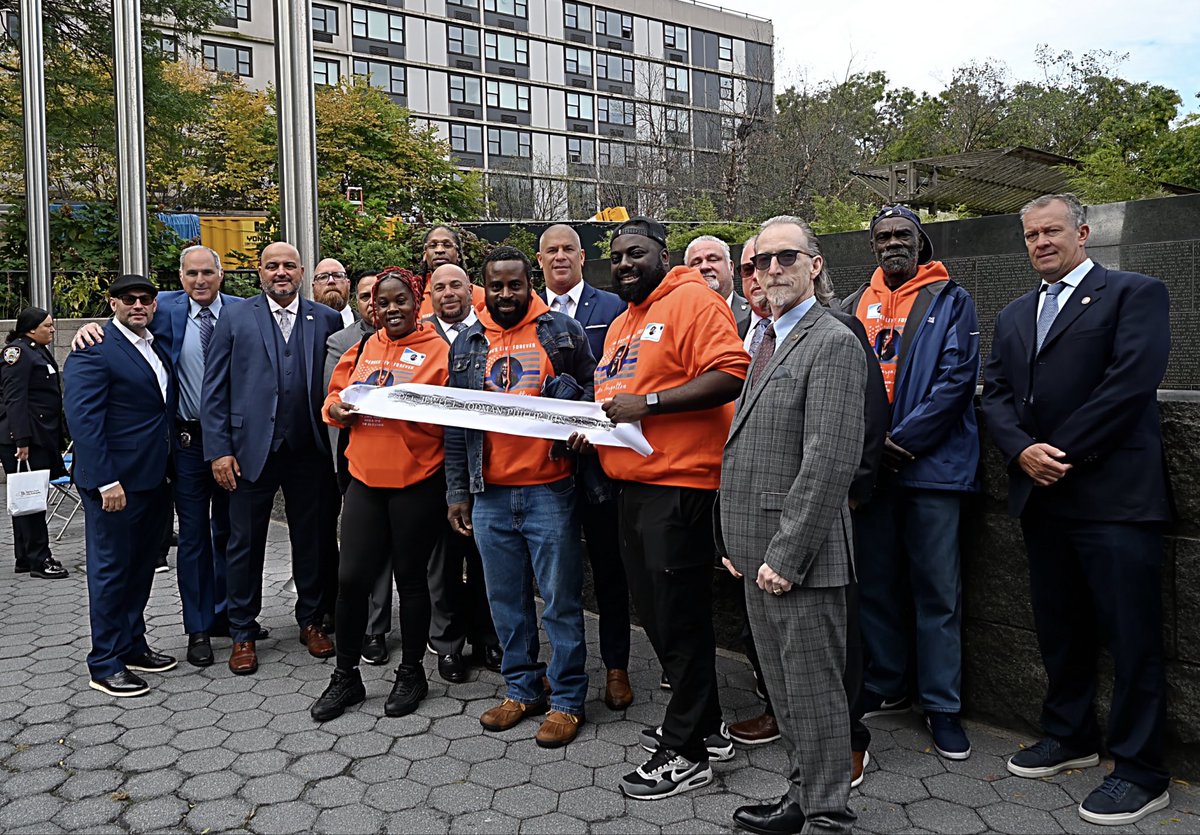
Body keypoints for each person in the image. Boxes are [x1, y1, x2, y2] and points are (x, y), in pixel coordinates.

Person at [982, 193, 1173, 826]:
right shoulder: (1014, 314)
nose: (1040, 242)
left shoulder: (1133, 294)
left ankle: (1142, 770)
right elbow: (995, 394)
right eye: (1031, 234)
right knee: (1060, 627)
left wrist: (1054, 451)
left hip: (1114, 499)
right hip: (1045, 501)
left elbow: (1130, 383)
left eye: (1052, 231)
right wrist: (1020, 450)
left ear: (1083, 233)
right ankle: (1070, 736)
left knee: (1132, 636)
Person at [593, 216, 749, 799]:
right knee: (657, 616)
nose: (624, 263)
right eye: (616, 256)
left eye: (636, 253)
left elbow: (731, 373)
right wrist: (595, 428)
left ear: (662, 253)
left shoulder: (693, 301)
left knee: (679, 619)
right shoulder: (620, 323)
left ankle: (685, 753)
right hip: (632, 485)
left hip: (681, 486)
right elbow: (615, 402)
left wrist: (650, 404)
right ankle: (704, 727)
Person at [720, 215, 866, 834]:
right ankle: (802, 799)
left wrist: (784, 554)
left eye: (785, 258)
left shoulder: (830, 340)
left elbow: (829, 460)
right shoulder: (768, 338)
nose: (771, 270)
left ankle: (828, 813)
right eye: (760, 262)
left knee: (815, 694)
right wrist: (740, 543)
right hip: (759, 551)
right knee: (787, 693)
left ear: (816, 264)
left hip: (799, 557)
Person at [841, 204, 980, 760]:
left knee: (937, 593)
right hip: (872, 471)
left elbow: (957, 379)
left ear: (920, 242)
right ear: (872, 246)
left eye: (902, 234)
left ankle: (942, 706)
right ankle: (889, 682)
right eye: (882, 236)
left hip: (931, 469)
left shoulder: (951, 299)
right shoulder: (853, 303)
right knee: (875, 584)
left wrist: (902, 441)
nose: (892, 242)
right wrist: (872, 448)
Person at [445, 246, 595, 749]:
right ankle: (522, 689)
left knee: (559, 601)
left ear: (529, 282)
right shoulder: (467, 340)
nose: (506, 295)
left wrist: (578, 420)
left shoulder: (560, 332)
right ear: (483, 286)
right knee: (505, 601)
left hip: (549, 489)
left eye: (515, 285)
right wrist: (458, 491)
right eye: (497, 286)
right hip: (489, 495)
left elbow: (594, 393)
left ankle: (568, 699)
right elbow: (455, 422)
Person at [73, 245, 251, 667]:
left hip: (230, 447)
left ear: (221, 274)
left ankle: (227, 615)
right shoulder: (163, 312)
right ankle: (196, 628)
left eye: (208, 272)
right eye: (192, 273)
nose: (200, 280)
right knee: (186, 542)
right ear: (181, 278)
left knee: (233, 535)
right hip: (183, 449)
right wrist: (91, 328)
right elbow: (86, 413)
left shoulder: (244, 311)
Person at [311, 267, 450, 721]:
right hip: (365, 482)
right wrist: (338, 410)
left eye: (400, 301)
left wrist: (408, 408)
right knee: (351, 580)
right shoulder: (365, 347)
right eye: (382, 303)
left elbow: (449, 417)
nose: (391, 309)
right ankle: (346, 675)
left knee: (411, 581)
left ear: (417, 304)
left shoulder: (439, 352)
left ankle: (411, 672)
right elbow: (332, 398)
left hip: (416, 482)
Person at [202, 241, 343, 675]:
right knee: (244, 544)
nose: (280, 273)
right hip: (248, 453)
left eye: (288, 266)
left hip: (309, 451)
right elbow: (215, 388)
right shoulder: (236, 315)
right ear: (259, 272)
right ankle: (242, 631)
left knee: (313, 541)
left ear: (302, 272)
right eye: (271, 266)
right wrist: (220, 450)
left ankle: (312, 620)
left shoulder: (326, 319)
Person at [63, 275, 177, 697]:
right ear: (112, 304)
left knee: (142, 566)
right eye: (128, 299)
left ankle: (132, 644)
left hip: (154, 478)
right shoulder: (92, 349)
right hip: (115, 485)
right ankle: (104, 662)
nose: (138, 306)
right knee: (111, 571)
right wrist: (106, 480)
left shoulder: (154, 344)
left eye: (145, 299)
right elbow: (84, 422)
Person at [537, 222, 634, 711]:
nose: (559, 257)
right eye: (550, 250)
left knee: (610, 569)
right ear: (540, 261)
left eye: (567, 249)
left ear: (582, 256)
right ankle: (563, 667)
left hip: (599, 466)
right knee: (557, 579)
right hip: (543, 473)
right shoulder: (526, 316)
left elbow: (621, 377)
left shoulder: (614, 308)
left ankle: (617, 667)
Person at [423, 263, 501, 682]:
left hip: (488, 466)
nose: (448, 292)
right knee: (444, 564)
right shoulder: (418, 335)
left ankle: (490, 637)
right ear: (430, 295)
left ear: (471, 290)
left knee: (488, 560)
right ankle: (448, 644)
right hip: (433, 468)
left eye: (456, 284)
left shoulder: (493, 331)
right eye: (439, 287)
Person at [323, 270, 393, 667]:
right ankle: (373, 631)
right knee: (368, 561)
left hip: (415, 470)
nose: (376, 305)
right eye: (369, 297)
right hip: (363, 470)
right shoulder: (344, 343)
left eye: (384, 297)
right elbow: (331, 398)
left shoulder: (428, 342)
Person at [1, 307, 68, 579]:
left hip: (38, 434)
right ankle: (40, 559)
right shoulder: (18, 354)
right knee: (32, 499)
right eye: (48, 326)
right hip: (25, 438)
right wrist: (22, 439)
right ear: (31, 329)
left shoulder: (36, 349)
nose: (52, 330)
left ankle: (25, 557)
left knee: (25, 496)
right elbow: (14, 399)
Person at [685, 235, 751, 334]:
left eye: (713, 259)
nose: (704, 267)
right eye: (696, 262)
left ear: (731, 268)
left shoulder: (754, 316)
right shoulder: (676, 319)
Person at [417, 225, 485, 319]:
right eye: (433, 245)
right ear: (425, 255)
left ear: (458, 254)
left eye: (447, 245)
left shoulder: (482, 296)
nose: (439, 250)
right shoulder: (414, 296)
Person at [314, 258, 354, 328]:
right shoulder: (301, 327)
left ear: (348, 284)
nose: (331, 281)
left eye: (338, 276)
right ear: (314, 287)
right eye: (323, 277)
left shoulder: (371, 326)